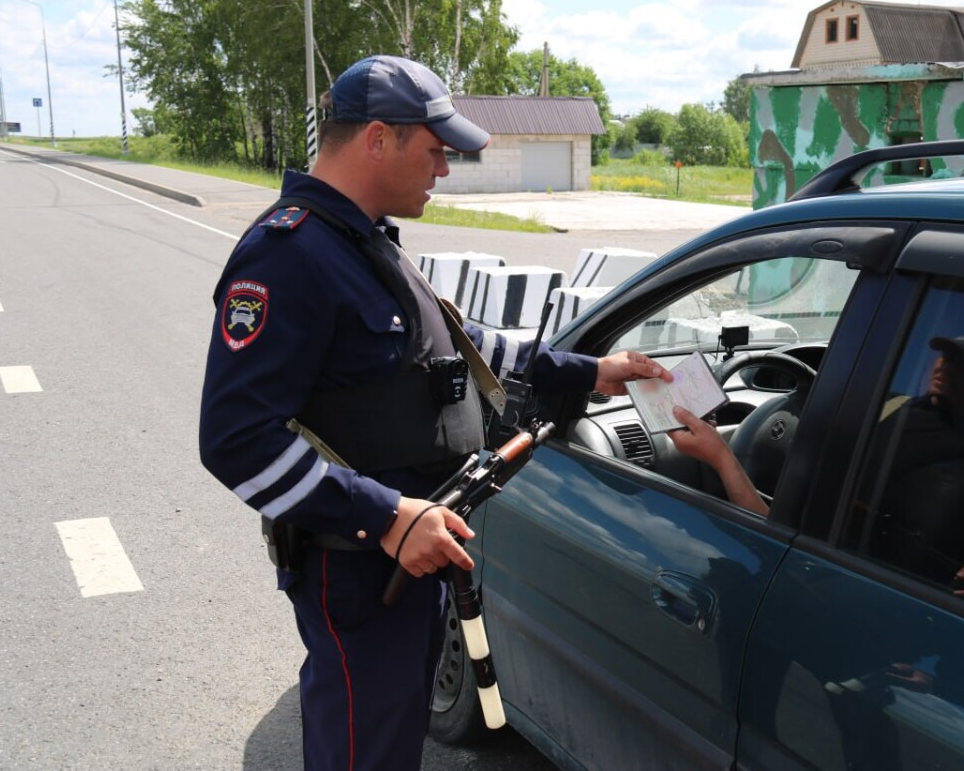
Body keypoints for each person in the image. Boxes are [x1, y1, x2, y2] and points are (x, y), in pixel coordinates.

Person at [198, 54, 670, 771]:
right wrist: (385, 515)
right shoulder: (289, 255)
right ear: (379, 139)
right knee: (364, 751)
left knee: (387, 742)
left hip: (404, 553)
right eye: (436, 150)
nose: (445, 170)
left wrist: (587, 371)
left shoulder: (360, 238)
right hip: (357, 562)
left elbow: (458, 342)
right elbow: (235, 439)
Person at [673, 334, 964, 601]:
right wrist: (721, 456)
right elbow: (783, 525)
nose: (947, 368)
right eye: (947, 356)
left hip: (901, 605)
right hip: (801, 576)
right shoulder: (875, 409)